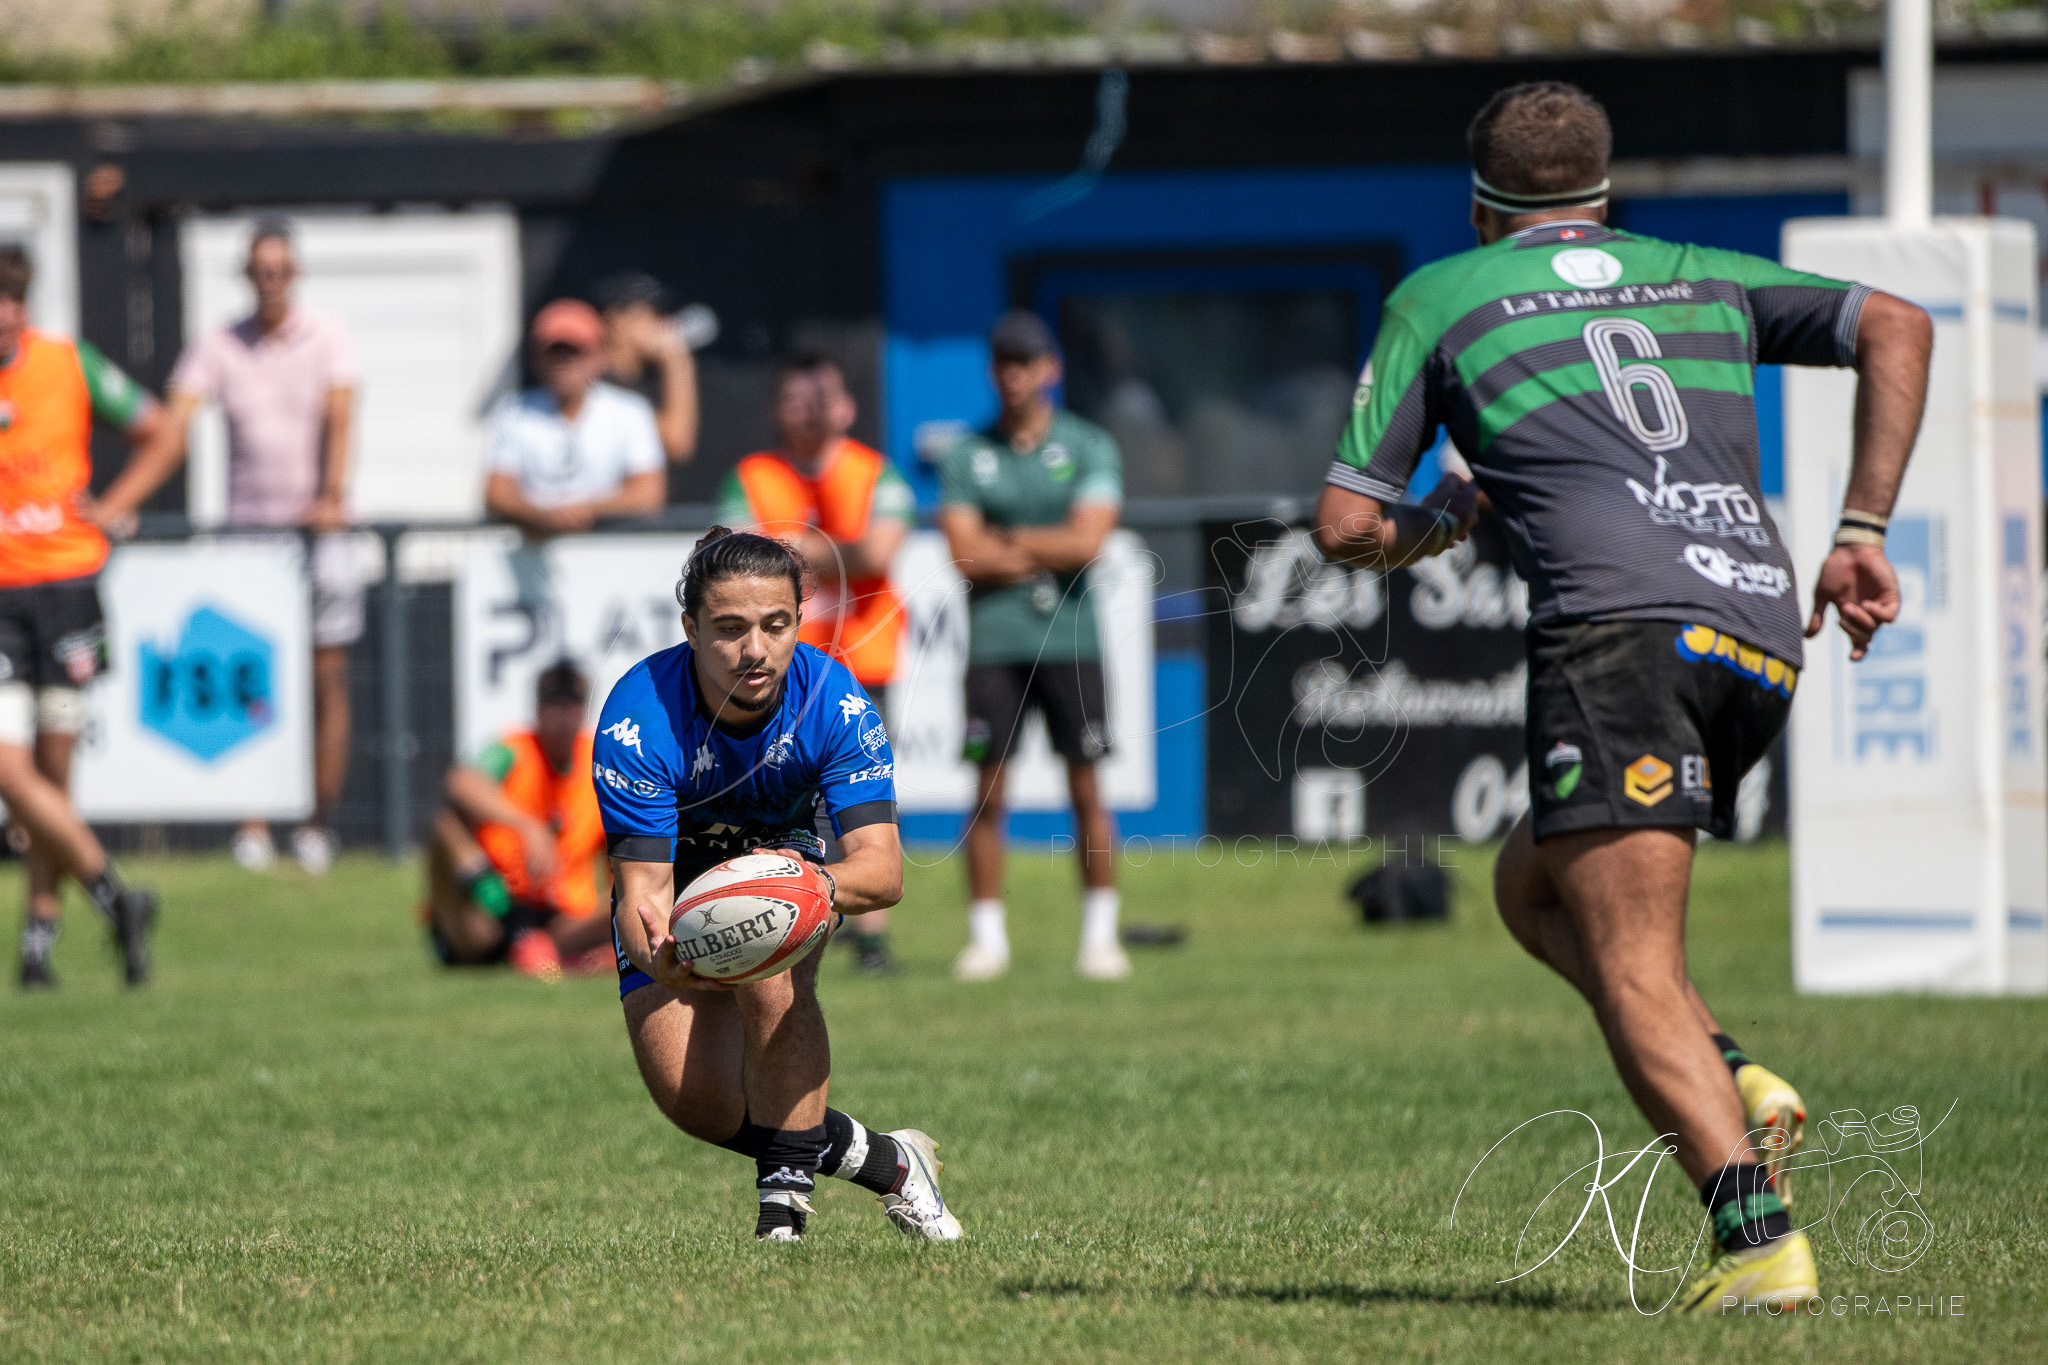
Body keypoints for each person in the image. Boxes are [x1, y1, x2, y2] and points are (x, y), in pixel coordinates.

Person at [1311, 82, 1932, 1313]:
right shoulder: (1696, 272)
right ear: (1602, 198)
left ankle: (1757, 1245)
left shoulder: (1442, 294)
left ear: (1479, 209)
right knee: (1528, 884)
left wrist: (1438, 524)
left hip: (1618, 635)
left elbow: (1342, 526)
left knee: (1633, 963)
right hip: (1756, 633)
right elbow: (1897, 324)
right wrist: (1859, 531)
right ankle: (1730, 1072)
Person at [596, 527, 960, 1242]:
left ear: (800, 618)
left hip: (792, 850)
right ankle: (890, 1162)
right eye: (729, 628)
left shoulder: (835, 702)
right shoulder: (639, 716)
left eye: (776, 624)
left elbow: (882, 872)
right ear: (690, 628)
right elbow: (642, 891)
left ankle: (781, 1222)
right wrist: (657, 954)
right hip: (680, 873)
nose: (755, 649)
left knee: (771, 967)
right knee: (698, 1103)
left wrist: (797, 888)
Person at [94, 217, 361, 877]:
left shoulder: (328, 334)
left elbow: (340, 418)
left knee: (326, 678)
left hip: (318, 535)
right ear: (247, 275)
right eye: (260, 270)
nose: (271, 281)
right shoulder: (218, 342)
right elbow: (171, 425)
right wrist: (123, 499)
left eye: (280, 269)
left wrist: (330, 495)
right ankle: (253, 821)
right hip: (248, 539)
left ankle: (317, 824)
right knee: (254, 681)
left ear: (295, 273)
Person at [936, 311, 1128, 982]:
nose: (1013, 375)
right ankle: (986, 939)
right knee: (988, 791)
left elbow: (1089, 542)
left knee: (1087, 787)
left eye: (1025, 362)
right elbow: (964, 553)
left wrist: (1007, 540)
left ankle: (1100, 936)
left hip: (1072, 638)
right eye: (1003, 362)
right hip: (995, 643)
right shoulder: (967, 453)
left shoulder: (1088, 444)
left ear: (1051, 368)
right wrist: (1045, 545)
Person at [719, 351, 914, 973]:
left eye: (821, 396)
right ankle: (778, 920)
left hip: (861, 662)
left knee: (863, 799)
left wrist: (788, 546)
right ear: (778, 409)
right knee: (772, 797)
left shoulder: (876, 472)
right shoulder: (751, 475)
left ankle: (871, 935)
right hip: (772, 666)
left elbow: (876, 552)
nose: (811, 410)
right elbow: (734, 557)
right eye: (797, 398)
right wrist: (829, 551)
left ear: (847, 406)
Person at [0, 245, 161, 987]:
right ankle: (116, 896)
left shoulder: (70, 363)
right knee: (11, 769)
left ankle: (39, 942)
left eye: (11, 299)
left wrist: (117, 504)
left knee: (54, 776)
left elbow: (162, 429)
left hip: (66, 587)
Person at [423, 657, 613, 979]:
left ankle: (548, 951)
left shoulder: (599, 760)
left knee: (634, 893)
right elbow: (462, 782)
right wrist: (527, 826)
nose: (563, 721)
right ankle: (517, 937)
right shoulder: (514, 749)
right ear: (538, 711)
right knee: (447, 826)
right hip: (493, 908)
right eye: (554, 708)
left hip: (562, 919)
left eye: (572, 708)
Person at [484, 300, 666, 538]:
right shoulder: (515, 409)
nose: (564, 364)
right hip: (533, 549)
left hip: (611, 546)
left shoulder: (630, 410)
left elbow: (648, 494)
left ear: (599, 357)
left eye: (575, 352)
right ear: (536, 359)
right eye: (554, 352)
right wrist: (543, 516)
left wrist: (581, 510)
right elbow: (496, 494)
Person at [593, 272, 700, 463]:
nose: (665, 323)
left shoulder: (641, 382)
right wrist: (677, 361)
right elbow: (676, 443)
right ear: (617, 321)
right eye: (655, 314)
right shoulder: (597, 384)